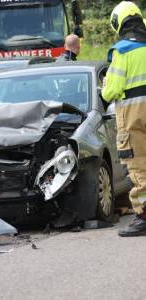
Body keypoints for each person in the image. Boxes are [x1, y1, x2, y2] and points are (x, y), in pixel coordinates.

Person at [101, 1, 146, 237]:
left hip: (134, 113)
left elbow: (110, 91)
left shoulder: (123, 50)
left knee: (138, 164)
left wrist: (106, 86)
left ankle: (144, 217)